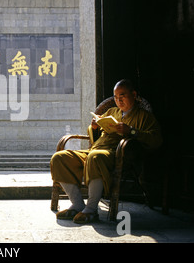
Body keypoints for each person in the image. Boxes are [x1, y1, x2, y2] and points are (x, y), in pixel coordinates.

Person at [50, 79, 162, 224]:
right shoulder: (111, 111)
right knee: (60, 158)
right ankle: (77, 204)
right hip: (95, 149)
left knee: (95, 157)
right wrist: (95, 128)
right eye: (115, 97)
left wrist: (132, 131)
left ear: (133, 94)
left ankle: (91, 209)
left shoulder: (144, 116)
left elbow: (156, 140)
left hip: (117, 154)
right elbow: (94, 139)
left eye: (122, 96)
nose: (118, 100)